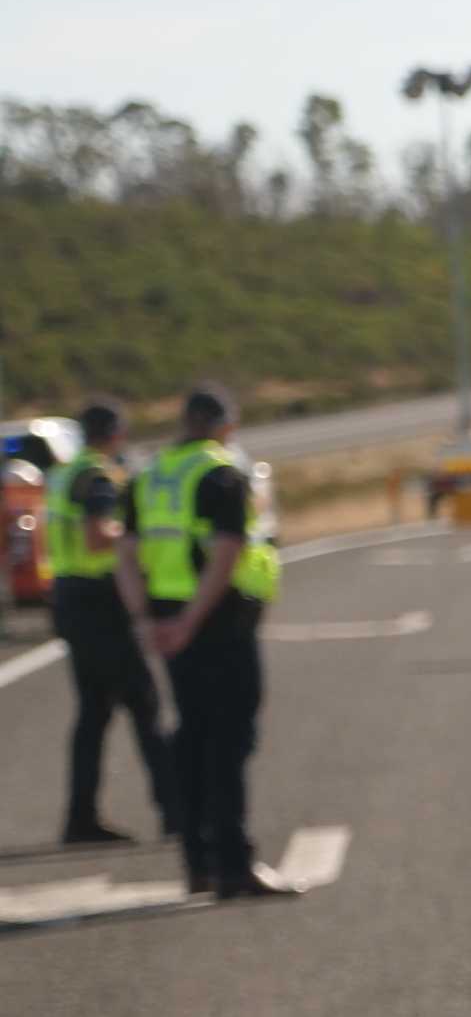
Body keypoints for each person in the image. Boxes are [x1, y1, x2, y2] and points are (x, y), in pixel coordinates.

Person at [132, 385, 297, 899]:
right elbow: (227, 552)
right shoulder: (221, 472)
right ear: (225, 424)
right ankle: (232, 865)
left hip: (167, 617)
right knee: (229, 742)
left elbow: (125, 551)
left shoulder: (152, 474)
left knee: (192, 735)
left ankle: (197, 863)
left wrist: (144, 619)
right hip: (217, 621)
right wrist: (193, 620)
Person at [44, 399, 182, 846]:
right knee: (144, 706)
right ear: (116, 433)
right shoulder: (99, 476)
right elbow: (96, 534)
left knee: (93, 713)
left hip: (69, 596)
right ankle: (175, 812)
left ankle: (79, 817)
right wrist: (135, 541)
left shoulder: (66, 471)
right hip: (99, 602)